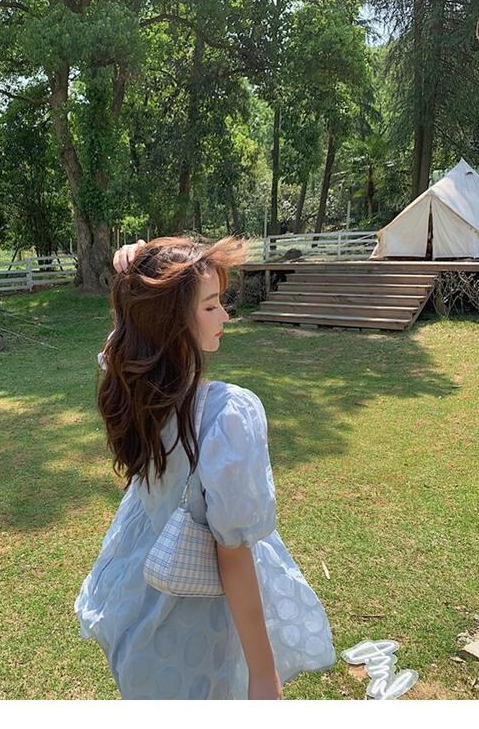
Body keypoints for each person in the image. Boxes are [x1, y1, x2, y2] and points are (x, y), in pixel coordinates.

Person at [74, 235, 337, 699]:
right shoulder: (225, 414)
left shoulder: (134, 391)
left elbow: (127, 334)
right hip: (204, 621)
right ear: (171, 321)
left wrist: (136, 275)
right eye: (211, 305)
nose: (225, 316)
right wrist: (263, 675)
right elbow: (232, 554)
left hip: (141, 599)